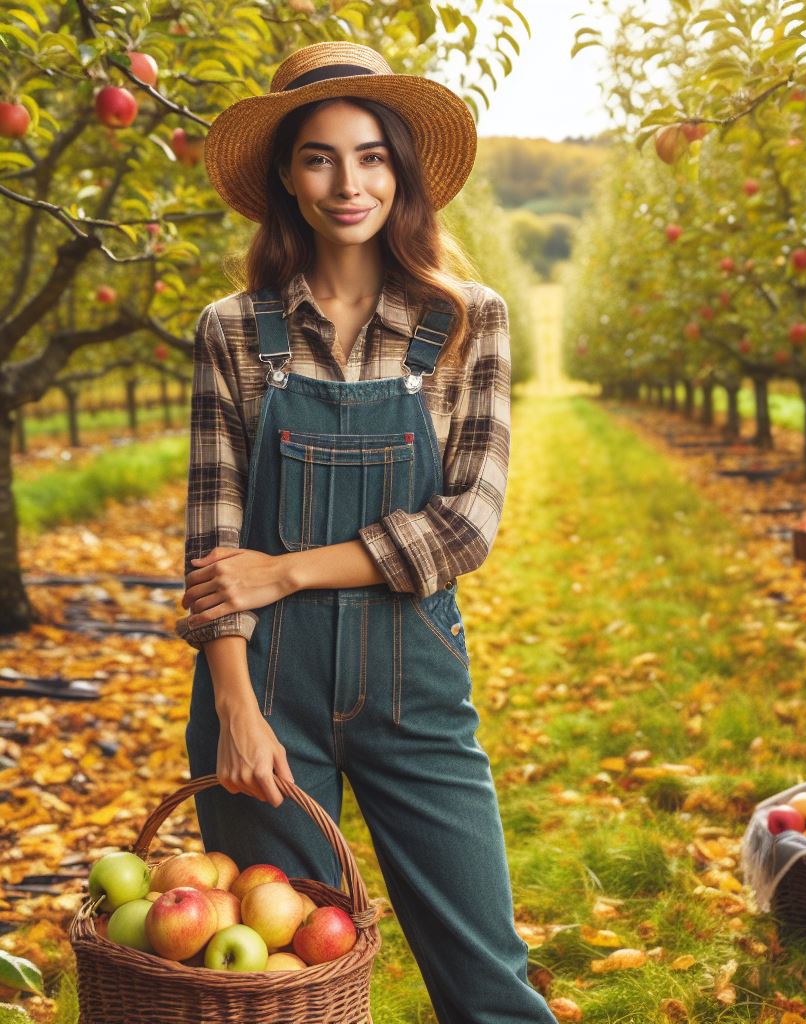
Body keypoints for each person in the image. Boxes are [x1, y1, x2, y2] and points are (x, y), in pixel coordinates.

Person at [175, 40, 557, 1024]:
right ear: (285, 178)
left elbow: (464, 527)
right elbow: (212, 545)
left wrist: (285, 570)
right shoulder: (233, 328)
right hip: (264, 691)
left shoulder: (465, 319)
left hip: (412, 685)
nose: (349, 182)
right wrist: (234, 712)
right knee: (277, 982)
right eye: (318, 156)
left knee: (488, 980)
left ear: (403, 172)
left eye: (373, 155)